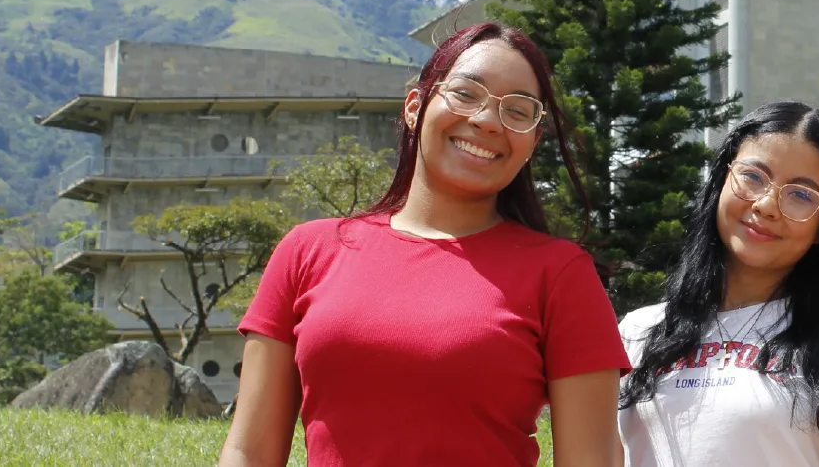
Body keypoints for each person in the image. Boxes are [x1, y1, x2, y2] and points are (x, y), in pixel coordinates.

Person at [218, 23, 629, 467]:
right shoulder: (308, 250)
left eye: (517, 110)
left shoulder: (562, 273)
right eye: (466, 93)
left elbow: (592, 460)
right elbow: (248, 452)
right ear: (415, 106)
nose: (487, 120)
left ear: (533, 140)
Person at [615, 101, 819, 467]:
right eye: (753, 176)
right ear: (721, 181)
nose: (766, 205)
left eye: (801, 195)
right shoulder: (638, 332)